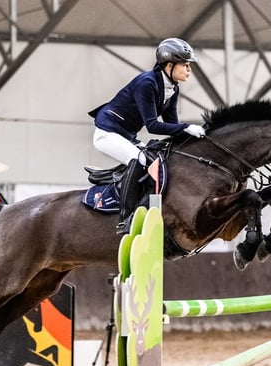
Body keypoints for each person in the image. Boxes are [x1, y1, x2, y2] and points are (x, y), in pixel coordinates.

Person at [88, 37, 207, 233]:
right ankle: (126, 218)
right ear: (170, 65)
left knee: (156, 159)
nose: (189, 69)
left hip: (126, 135)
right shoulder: (147, 83)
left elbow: (171, 126)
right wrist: (186, 127)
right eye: (185, 65)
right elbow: (152, 125)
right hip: (107, 133)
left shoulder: (172, 88)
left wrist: (192, 136)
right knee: (140, 159)